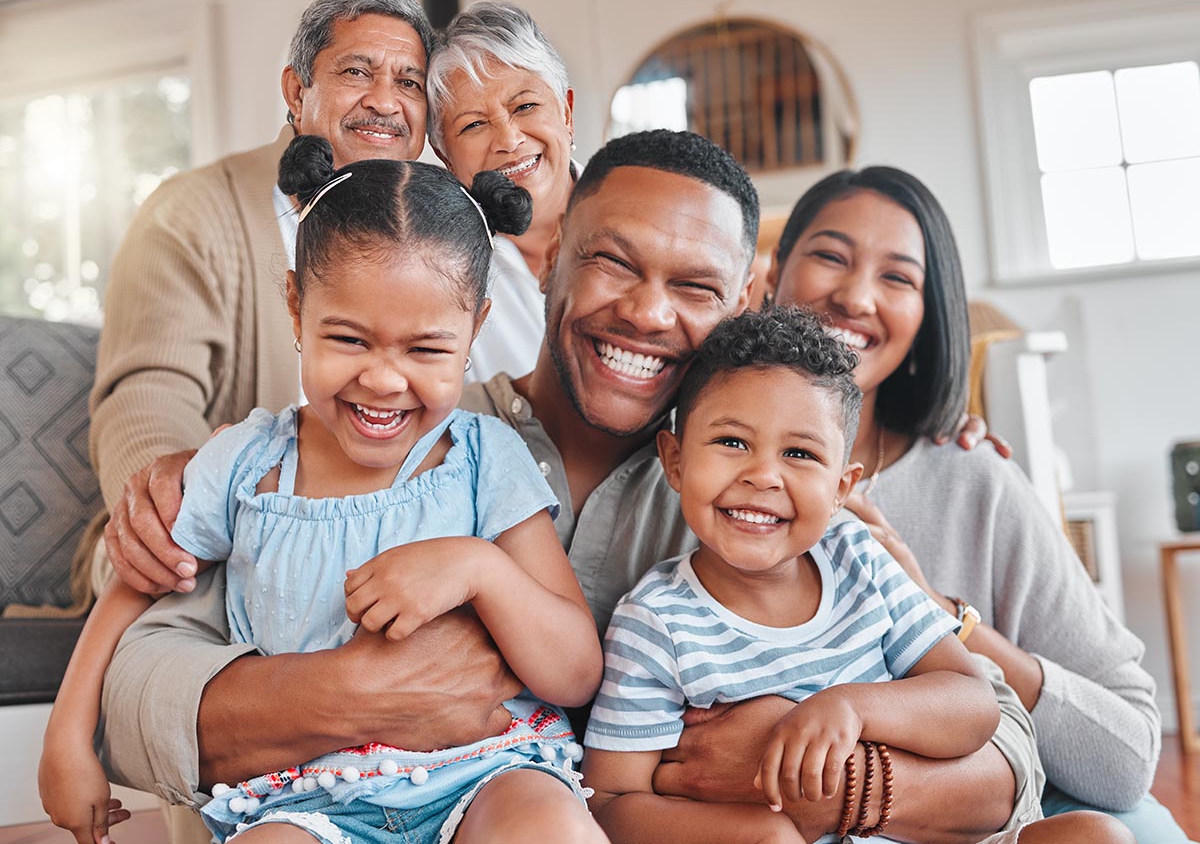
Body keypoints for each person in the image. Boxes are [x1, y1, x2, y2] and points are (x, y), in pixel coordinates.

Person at [103, 131, 1042, 843]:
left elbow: (1009, 745)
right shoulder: (401, 420)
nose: (646, 311)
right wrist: (353, 694)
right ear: (548, 260)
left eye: (695, 285)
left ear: (744, 304)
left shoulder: (762, 500)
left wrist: (827, 783)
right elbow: (134, 689)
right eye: (613, 262)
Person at [42, 136, 607, 844]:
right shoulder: (245, 462)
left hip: (487, 771)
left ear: (475, 330)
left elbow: (575, 670)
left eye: (426, 348)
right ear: (295, 304)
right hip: (308, 796)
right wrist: (66, 737)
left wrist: (478, 567)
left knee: (550, 829)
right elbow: (134, 585)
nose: (383, 379)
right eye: (349, 339)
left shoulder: (485, 457)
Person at [754, 166, 1184, 843]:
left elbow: (1126, 757)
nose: (856, 295)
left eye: (897, 277)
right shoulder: (701, 482)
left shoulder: (971, 477)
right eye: (830, 256)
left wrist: (943, 616)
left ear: (928, 314)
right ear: (772, 271)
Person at [91, 0, 434, 598]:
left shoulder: (433, 228)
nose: (386, 101)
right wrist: (165, 488)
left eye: (409, 82)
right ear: (296, 90)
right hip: (208, 546)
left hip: (375, 549)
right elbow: (144, 391)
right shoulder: (192, 211)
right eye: (358, 71)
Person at [426, 0, 579, 383]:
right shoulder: (442, 273)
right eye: (474, 125)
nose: (509, 140)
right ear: (446, 158)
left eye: (525, 106)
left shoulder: (641, 210)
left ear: (566, 113)